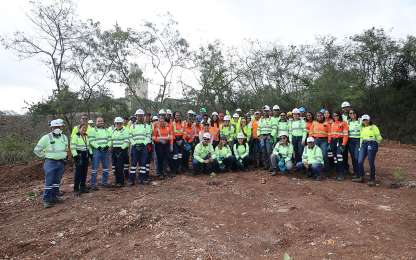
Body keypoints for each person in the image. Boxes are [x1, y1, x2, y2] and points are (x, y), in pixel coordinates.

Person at [33, 119, 69, 208]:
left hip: (61, 162)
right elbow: (36, 150)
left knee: (57, 181)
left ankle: (54, 197)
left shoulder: (64, 137)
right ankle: (46, 200)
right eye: (55, 127)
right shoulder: (46, 138)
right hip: (50, 162)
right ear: (51, 128)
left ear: (61, 127)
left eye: (59, 127)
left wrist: (64, 156)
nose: (58, 128)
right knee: (49, 182)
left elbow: (66, 149)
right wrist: (45, 156)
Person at [353, 114, 383, 186]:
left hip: (372, 143)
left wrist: (376, 143)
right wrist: (360, 146)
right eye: (364, 120)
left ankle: (372, 179)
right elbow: (361, 138)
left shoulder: (373, 127)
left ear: (369, 120)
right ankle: (361, 177)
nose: (365, 121)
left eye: (366, 120)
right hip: (363, 144)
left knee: (370, 161)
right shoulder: (362, 128)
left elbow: (379, 137)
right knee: (359, 161)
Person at [129, 109, 151, 185]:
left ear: (143, 116)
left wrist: (143, 143)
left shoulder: (147, 126)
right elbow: (130, 137)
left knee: (143, 163)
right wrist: (134, 144)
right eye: (139, 116)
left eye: (141, 116)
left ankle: (143, 179)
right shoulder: (132, 126)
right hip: (135, 147)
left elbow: (148, 136)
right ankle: (132, 180)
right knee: (133, 163)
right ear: (136, 116)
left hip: (143, 147)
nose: (140, 117)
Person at [88, 117, 111, 190]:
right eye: (99, 121)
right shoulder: (92, 130)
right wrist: (98, 147)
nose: (100, 122)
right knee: (95, 168)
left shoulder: (107, 130)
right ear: (96, 122)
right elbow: (91, 140)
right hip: (97, 150)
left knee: (106, 167)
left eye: (101, 121)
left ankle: (104, 182)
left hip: (105, 151)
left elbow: (110, 139)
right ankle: (93, 184)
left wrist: (108, 145)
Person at [71, 123, 92, 195]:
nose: (84, 129)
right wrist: (75, 156)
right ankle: (76, 188)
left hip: (85, 155)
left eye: (85, 128)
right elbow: (73, 147)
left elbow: (88, 146)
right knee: (78, 172)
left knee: (84, 171)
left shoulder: (86, 136)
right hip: (79, 155)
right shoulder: (75, 136)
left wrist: (91, 154)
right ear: (79, 129)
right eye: (83, 128)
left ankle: (83, 187)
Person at [328, 111, 349, 181]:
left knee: (339, 156)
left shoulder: (344, 123)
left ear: (339, 116)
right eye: (334, 116)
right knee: (335, 158)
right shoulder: (332, 123)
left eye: (336, 115)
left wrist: (343, 144)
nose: (335, 117)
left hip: (340, 141)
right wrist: (329, 142)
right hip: (333, 142)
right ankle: (337, 173)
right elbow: (330, 134)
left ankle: (341, 174)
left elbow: (346, 135)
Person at [110, 117, 130, 187]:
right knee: (115, 166)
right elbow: (111, 140)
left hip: (122, 150)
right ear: (115, 123)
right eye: (117, 123)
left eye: (119, 123)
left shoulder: (125, 131)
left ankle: (121, 182)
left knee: (120, 166)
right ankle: (117, 180)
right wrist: (109, 146)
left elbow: (127, 141)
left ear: (122, 123)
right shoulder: (113, 131)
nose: (118, 124)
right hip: (114, 150)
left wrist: (121, 148)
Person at [258, 105, 274, 170]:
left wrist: (271, 135)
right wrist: (259, 135)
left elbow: (274, 128)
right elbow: (258, 128)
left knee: (269, 151)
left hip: (269, 137)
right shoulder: (261, 119)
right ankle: (266, 165)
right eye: (264, 111)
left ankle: (271, 166)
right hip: (262, 137)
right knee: (263, 152)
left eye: (267, 111)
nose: (265, 112)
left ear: (269, 111)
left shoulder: (272, 119)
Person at [347, 109, 361, 178]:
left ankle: (360, 173)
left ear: (356, 114)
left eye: (353, 113)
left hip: (358, 140)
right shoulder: (348, 122)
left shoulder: (360, 121)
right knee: (353, 157)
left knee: (357, 157)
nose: (352, 114)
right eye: (350, 113)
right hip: (350, 140)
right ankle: (356, 173)